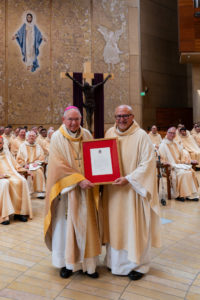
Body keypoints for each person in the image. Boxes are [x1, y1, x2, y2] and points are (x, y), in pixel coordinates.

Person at [101, 105, 161, 280]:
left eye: (125, 116)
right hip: (113, 192)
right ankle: (114, 263)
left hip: (133, 191)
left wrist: (128, 178)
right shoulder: (109, 133)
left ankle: (138, 266)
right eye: (118, 116)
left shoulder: (141, 136)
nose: (121, 119)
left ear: (132, 116)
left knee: (134, 226)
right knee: (115, 226)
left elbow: (148, 164)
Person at [44, 106, 101, 279]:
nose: (74, 123)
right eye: (70, 119)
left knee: (88, 226)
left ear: (81, 119)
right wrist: (78, 180)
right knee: (65, 228)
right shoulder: (57, 138)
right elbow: (57, 165)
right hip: (68, 192)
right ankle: (67, 264)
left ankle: (89, 265)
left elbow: (95, 159)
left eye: (77, 119)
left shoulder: (88, 135)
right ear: (63, 120)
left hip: (87, 189)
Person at [159, 127, 199, 201]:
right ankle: (179, 195)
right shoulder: (162, 145)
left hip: (179, 165)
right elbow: (160, 158)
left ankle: (190, 195)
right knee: (182, 173)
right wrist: (164, 162)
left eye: (174, 133)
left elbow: (183, 156)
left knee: (190, 172)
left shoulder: (176, 144)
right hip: (170, 168)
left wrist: (190, 161)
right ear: (167, 133)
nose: (172, 134)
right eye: (170, 133)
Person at [0, 136, 32, 224]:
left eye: (0, 143)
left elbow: (15, 165)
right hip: (1, 177)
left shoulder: (6, 152)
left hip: (11, 174)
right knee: (5, 183)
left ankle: (19, 212)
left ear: (3, 143)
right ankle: (4, 216)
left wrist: (25, 170)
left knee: (22, 181)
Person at [16, 131, 45, 199]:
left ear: (35, 137)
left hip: (35, 165)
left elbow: (42, 157)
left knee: (39, 172)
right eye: (30, 136)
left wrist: (37, 163)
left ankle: (39, 192)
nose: (31, 137)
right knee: (28, 172)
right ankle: (29, 192)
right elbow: (19, 158)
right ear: (27, 137)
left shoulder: (38, 146)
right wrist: (24, 165)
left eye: (33, 136)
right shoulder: (22, 146)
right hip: (26, 165)